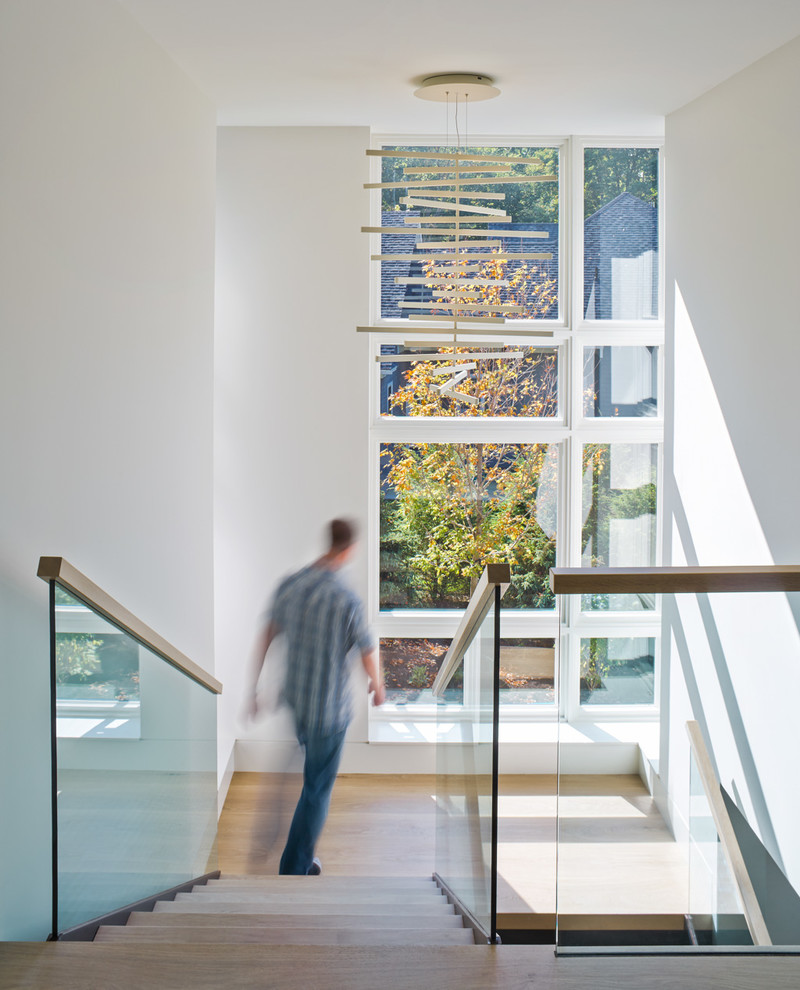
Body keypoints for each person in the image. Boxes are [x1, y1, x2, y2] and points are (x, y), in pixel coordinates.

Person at [247, 518, 384, 875]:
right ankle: (295, 867)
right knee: (317, 789)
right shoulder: (346, 598)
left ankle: (285, 841)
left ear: (328, 542)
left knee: (307, 772)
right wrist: (378, 684)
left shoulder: (291, 584)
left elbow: (267, 635)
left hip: (296, 698)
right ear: (350, 549)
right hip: (329, 710)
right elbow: (367, 649)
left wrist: (253, 688)